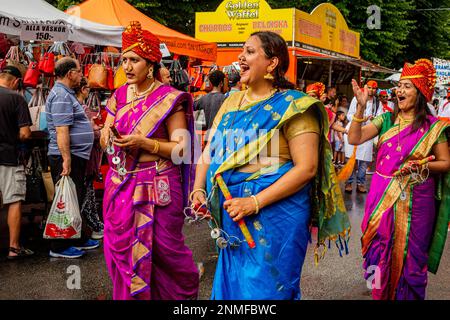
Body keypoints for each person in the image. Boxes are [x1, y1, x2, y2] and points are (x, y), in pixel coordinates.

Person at [191, 31, 350, 300]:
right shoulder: (231, 102)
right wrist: (197, 189)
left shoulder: (294, 106)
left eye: (250, 52)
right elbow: (210, 151)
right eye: (242, 51)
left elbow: (307, 168)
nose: (241, 57)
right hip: (233, 213)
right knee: (234, 287)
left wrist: (254, 202)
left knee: (265, 291)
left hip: (275, 216)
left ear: (272, 63)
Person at [100, 22, 199, 300]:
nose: (127, 67)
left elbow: (182, 150)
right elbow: (105, 137)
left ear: (151, 63)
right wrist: (106, 135)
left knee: (167, 255)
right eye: (124, 61)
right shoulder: (119, 96)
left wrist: (144, 143)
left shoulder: (169, 99)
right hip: (122, 182)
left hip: (158, 184)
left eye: (135, 60)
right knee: (120, 252)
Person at [347, 59, 450, 300]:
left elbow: (445, 163)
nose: (399, 91)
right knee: (378, 248)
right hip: (382, 195)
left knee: (412, 258)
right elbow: (354, 138)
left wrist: (420, 165)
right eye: (399, 86)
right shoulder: (385, 121)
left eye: (407, 87)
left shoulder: (434, 128)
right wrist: (361, 108)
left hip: (418, 200)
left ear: (421, 93)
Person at [46, 57, 98, 258]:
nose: (82, 74)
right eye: (79, 71)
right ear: (70, 74)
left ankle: (76, 237)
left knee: (74, 198)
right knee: (64, 200)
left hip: (75, 155)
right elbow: (61, 130)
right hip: (67, 156)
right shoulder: (60, 95)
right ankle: (58, 246)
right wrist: (66, 158)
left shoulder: (66, 94)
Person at [0, 65, 34, 259]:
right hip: (9, 157)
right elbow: (25, 133)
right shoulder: (16, 98)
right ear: (16, 81)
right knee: (13, 200)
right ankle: (14, 248)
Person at [74, 77, 104, 240]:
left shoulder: (75, 106)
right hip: (87, 156)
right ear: (84, 90)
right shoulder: (82, 108)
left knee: (87, 192)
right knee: (85, 193)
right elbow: (91, 133)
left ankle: (95, 225)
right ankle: (92, 226)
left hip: (81, 155)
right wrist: (100, 131)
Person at [343, 80, 380, 193]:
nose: (371, 90)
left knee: (364, 161)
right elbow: (349, 115)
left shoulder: (377, 103)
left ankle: (361, 183)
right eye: (369, 87)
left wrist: (374, 120)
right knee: (351, 160)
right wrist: (359, 118)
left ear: (376, 90)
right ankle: (348, 183)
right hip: (354, 131)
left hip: (367, 133)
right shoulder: (356, 98)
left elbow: (380, 116)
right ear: (366, 87)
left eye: (373, 88)